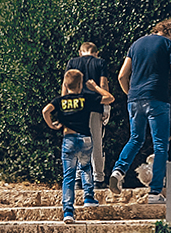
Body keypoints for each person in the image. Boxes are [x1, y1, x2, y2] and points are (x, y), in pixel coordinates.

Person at [110, 18, 171, 204]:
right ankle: (154, 193)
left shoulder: (135, 44)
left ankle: (118, 171)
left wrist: (131, 94)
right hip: (157, 99)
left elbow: (122, 75)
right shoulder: (168, 44)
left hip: (134, 98)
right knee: (160, 145)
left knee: (135, 139)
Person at [42, 68, 115, 225]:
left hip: (69, 138)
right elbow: (109, 98)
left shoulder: (60, 101)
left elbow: (45, 110)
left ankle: (68, 211)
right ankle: (88, 196)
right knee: (86, 168)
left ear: (65, 84)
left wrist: (52, 125)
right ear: (81, 84)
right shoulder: (86, 98)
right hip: (85, 139)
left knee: (69, 175)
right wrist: (95, 87)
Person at [68, 41, 111, 185]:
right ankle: (98, 177)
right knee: (96, 142)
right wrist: (106, 106)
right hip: (94, 104)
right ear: (96, 53)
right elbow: (103, 84)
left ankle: (78, 178)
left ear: (80, 52)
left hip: (76, 105)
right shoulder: (100, 63)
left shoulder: (72, 62)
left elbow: (65, 85)